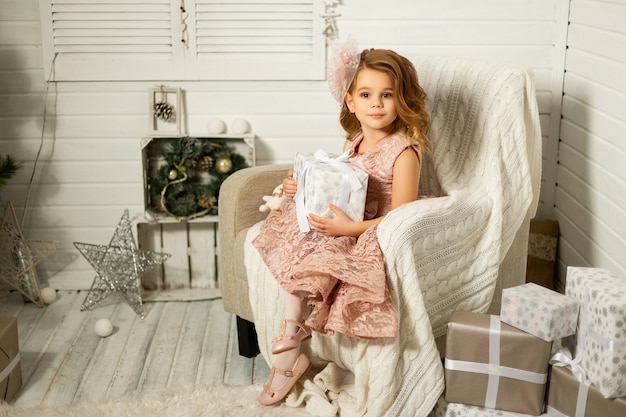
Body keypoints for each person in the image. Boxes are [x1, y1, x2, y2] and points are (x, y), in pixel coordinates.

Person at [251, 44, 431, 406]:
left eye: (387, 95)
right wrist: (299, 185)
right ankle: (293, 330)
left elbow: (403, 217)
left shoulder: (404, 152)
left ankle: (290, 344)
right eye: (366, 95)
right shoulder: (356, 141)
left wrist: (350, 230)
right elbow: (340, 180)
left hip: (370, 229)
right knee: (299, 229)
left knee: (321, 245)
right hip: (348, 218)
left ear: (401, 100)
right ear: (350, 101)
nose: (376, 104)